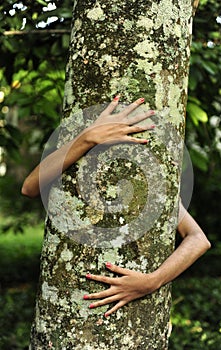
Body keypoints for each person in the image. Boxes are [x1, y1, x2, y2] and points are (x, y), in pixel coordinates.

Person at [22, 96, 211, 318]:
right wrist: (87, 138)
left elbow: (199, 239)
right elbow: (29, 187)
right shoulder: (78, 172)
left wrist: (152, 281)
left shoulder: (151, 190)